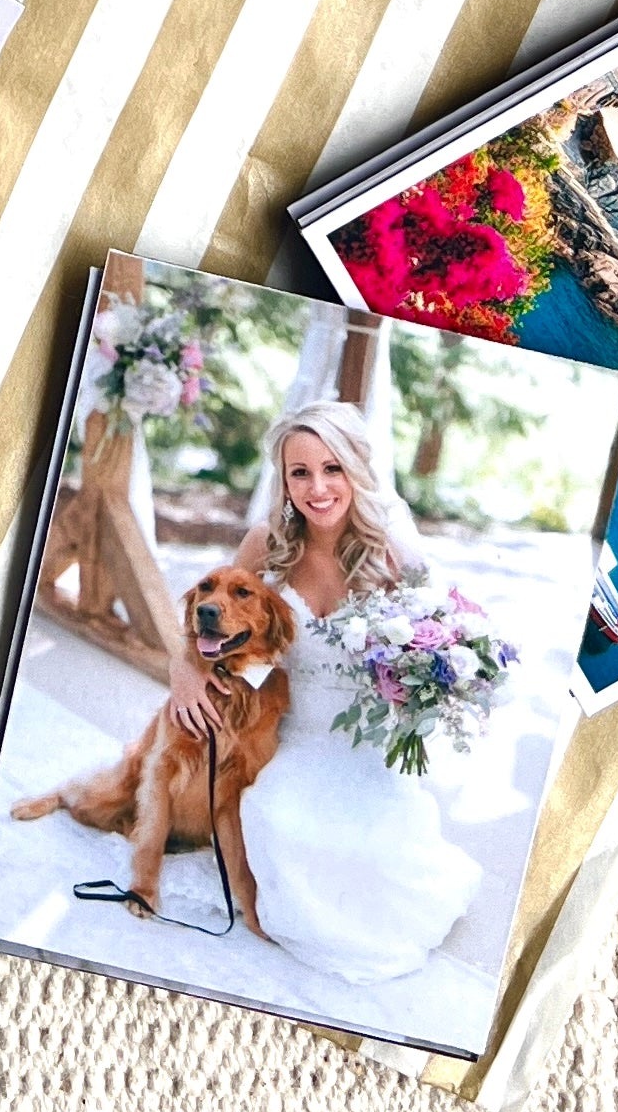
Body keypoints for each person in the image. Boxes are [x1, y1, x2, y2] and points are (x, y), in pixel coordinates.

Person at [164, 397, 479, 983]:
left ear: (356, 469)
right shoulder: (265, 544)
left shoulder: (392, 552)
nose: (318, 488)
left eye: (332, 468)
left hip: (369, 742)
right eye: (300, 472)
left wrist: (425, 684)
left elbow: (452, 635)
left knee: (380, 847)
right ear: (283, 481)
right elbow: (208, 619)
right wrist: (184, 670)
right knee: (275, 816)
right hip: (295, 734)